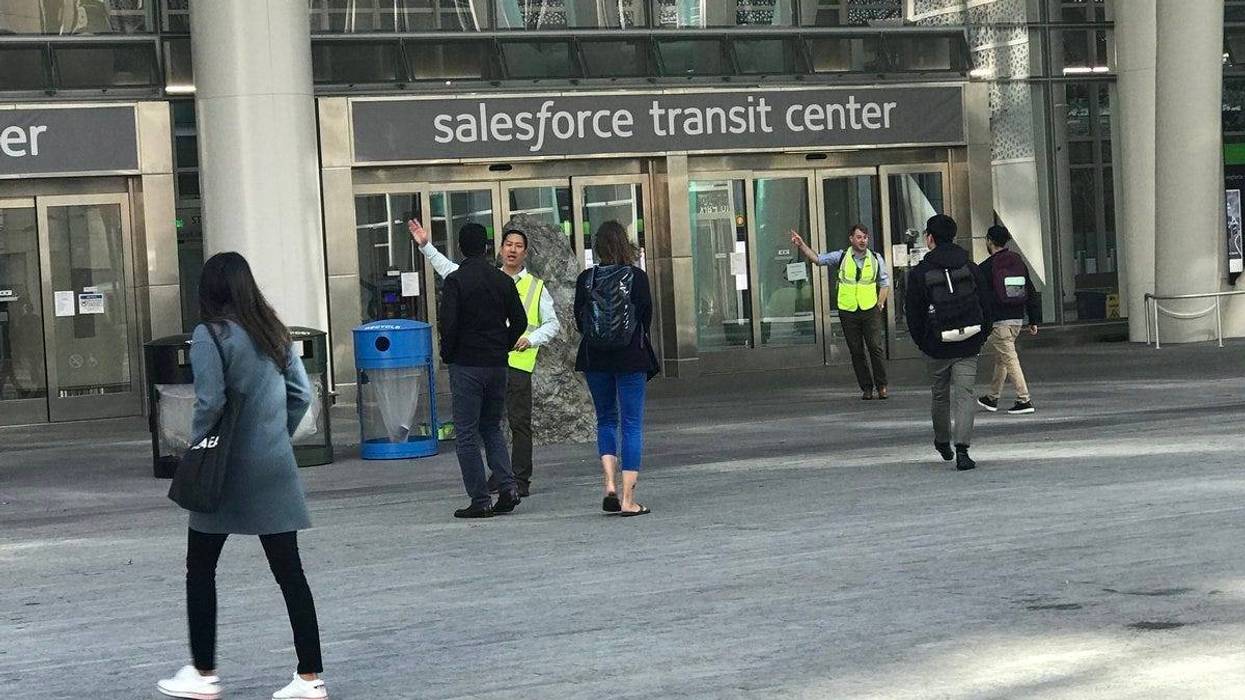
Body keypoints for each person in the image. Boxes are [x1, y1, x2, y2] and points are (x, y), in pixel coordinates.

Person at [158, 252, 327, 700]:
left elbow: (209, 403)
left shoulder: (209, 335)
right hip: (274, 467)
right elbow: (301, 393)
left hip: (226, 473)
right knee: (290, 573)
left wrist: (198, 448)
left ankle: (203, 670)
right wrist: (275, 435)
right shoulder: (273, 332)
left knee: (201, 567)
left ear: (209, 290)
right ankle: (310, 676)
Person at [408, 219, 561, 497]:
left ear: (525, 252)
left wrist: (528, 339)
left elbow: (548, 322)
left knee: (509, 424)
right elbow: (448, 269)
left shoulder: (534, 286)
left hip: (506, 363)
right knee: (491, 426)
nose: (513, 250)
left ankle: (510, 483)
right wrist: (426, 246)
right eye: (509, 245)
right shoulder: (495, 278)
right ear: (498, 249)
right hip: (497, 362)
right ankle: (504, 481)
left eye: (518, 246)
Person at [438, 223, 528, 518]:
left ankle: (480, 499)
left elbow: (448, 325)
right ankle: (508, 487)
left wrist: (448, 353)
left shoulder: (456, 281)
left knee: (466, 434)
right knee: (491, 427)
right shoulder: (502, 280)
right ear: (488, 247)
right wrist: (502, 344)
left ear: (461, 248)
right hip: (497, 364)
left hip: (467, 364)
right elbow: (520, 320)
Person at [574, 221, 660, 517]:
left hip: (595, 358)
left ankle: (609, 484)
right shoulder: (637, 277)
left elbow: (579, 321)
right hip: (630, 358)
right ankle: (628, 499)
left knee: (606, 420)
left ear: (597, 246)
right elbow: (646, 317)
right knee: (632, 423)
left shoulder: (586, 278)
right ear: (625, 244)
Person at [904, 214, 993, 472]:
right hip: (968, 343)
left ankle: (943, 441)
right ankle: (963, 450)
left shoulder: (921, 272)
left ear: (930, 238)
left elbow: (913, 312)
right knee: (965, 395)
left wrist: (924, 342)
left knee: (940, 395)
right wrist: (981, 335)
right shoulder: (969, 266)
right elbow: (986, 304)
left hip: (937, 346)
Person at [792, 225, 891, 399]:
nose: (863, 241)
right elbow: (818, 259)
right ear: (851, 239)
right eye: (859, 237)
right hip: (848, 310)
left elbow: (884, 283)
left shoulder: (875, 258)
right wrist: (802, 245)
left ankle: (881, 385)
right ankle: (866, 388)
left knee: (875, 348)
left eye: (865, 237)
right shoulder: (842, 256)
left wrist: (880, 303)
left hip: (870, 309)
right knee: (856, 350)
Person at [977, 225, 1041, 415]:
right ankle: (992, 397)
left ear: (989, 241)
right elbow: (1030, 289)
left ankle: (1024, 399)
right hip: (1017, 319)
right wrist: (1034, 319)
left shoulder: (987, 267)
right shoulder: (1017, 261)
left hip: (999, 321)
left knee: (1010, 359)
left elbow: (980, 296)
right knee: (1002, 358)